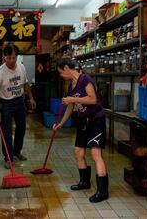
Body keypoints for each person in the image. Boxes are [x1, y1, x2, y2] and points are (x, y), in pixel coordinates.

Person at [54, 58, 109, 203]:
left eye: (61, 72)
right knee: (78, 152)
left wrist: (72, 99)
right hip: (83, 121)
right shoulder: (71, 87)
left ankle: (103, 191)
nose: (61, 76)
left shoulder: (85, 79)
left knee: (95, 153)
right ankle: (85, 182)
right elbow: (71, 107)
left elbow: (93, 100)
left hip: (96, 119)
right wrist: (61, 123)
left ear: (66, 68)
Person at [0, 45, 36, 169]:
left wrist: (31, 97)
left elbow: (25, 84)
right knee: (6, 131)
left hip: (20, 101)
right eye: (9, 58)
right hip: (6, 103)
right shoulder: (0, 72)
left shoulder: (21, 67)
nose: (11, 60)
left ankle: (16, 152)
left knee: (21, 128)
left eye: (14, 58)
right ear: (4, 57)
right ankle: (8, 158)